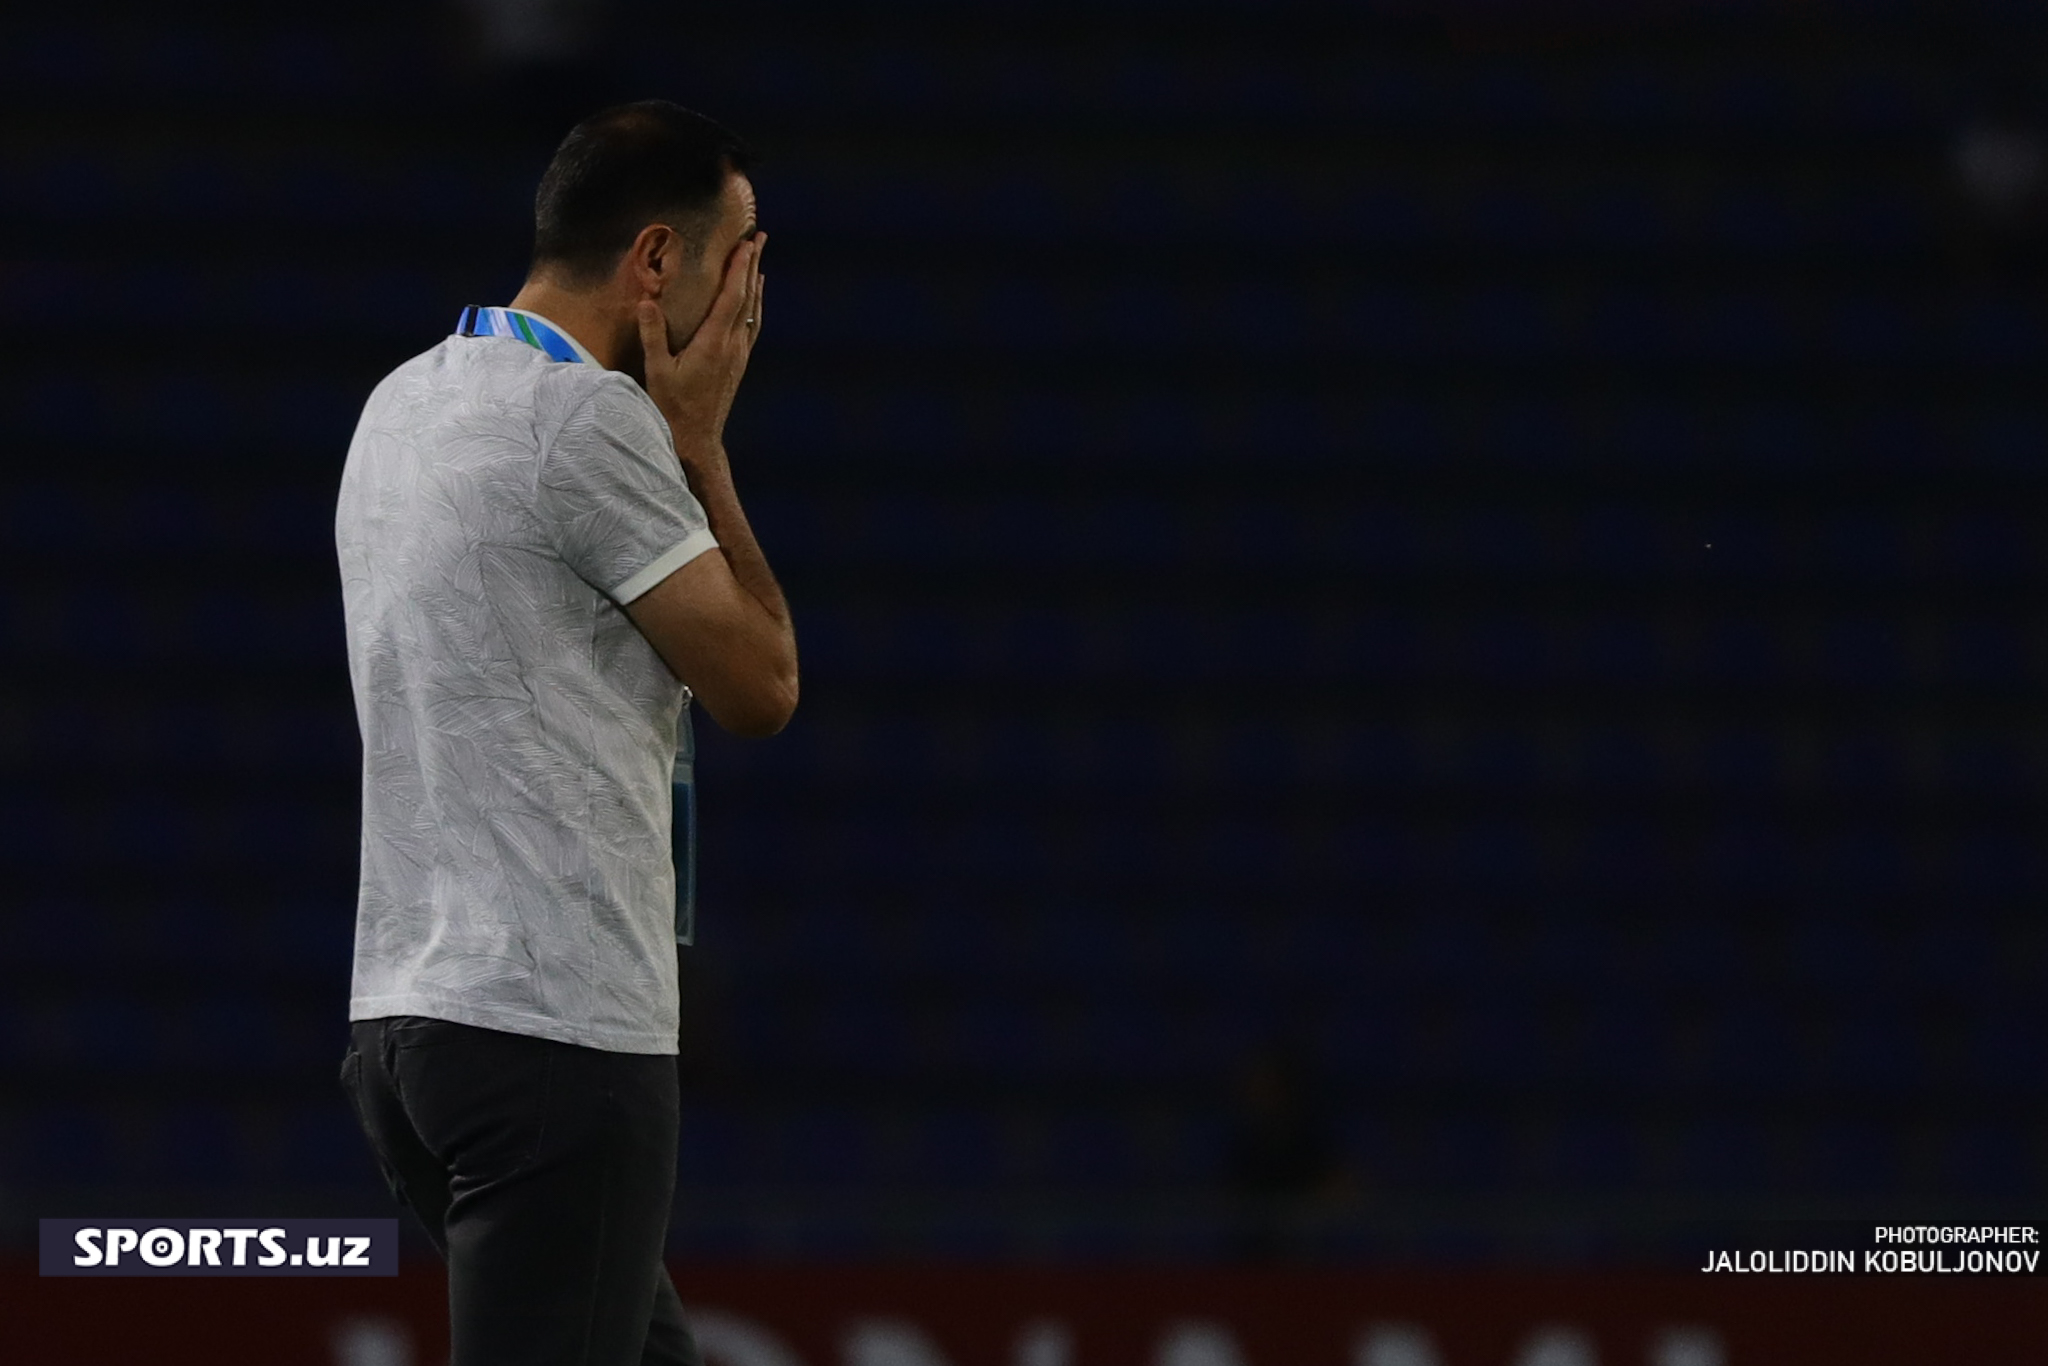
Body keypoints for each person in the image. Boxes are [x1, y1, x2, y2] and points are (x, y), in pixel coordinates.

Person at [333, 100, 796, 1366]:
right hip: (557, 1037)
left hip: (405, 1028)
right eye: (741, 254)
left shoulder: (399, 404)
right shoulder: (582, 422)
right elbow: (761, 683)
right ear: (656, 260)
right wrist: (697, 445)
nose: (750, 298)